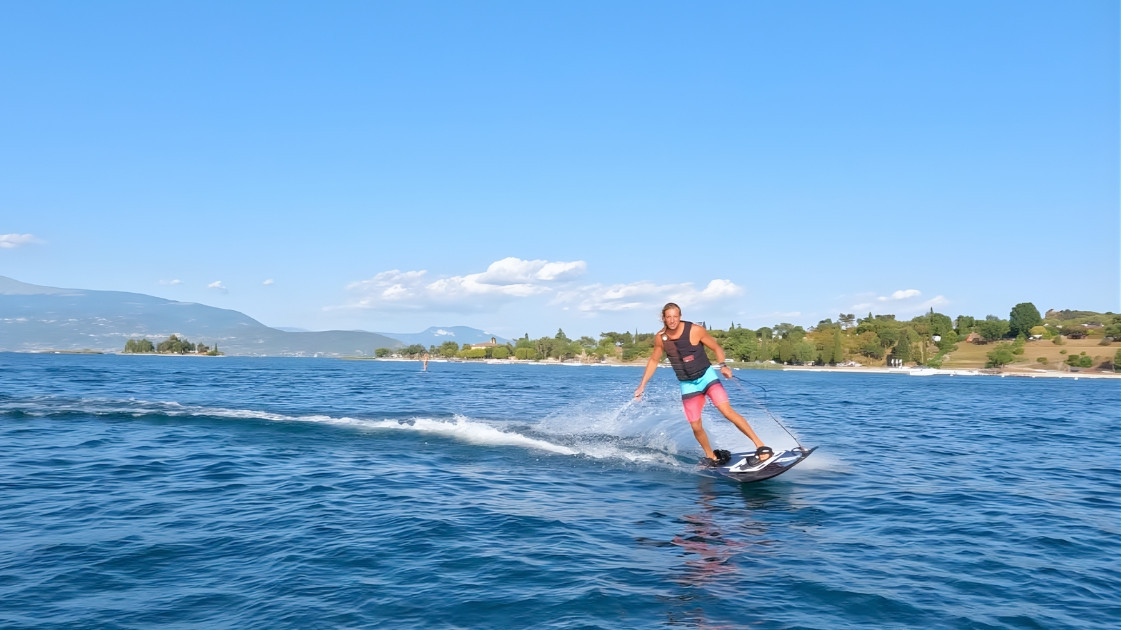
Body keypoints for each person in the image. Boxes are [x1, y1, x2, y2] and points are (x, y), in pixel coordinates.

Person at [633, 302, 772, 467]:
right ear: (663, 318)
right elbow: (654, 360)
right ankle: (711, 456)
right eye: (668, 317)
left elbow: (717, 348)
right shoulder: (660, 338)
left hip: (707, 378)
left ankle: (760, 446)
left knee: (726, 412)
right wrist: (642, 385)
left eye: (675, 316)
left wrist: (723, 365)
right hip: (688, 384)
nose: (672, 320)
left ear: (680, 316)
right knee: (695, 425)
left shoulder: (695, 330)